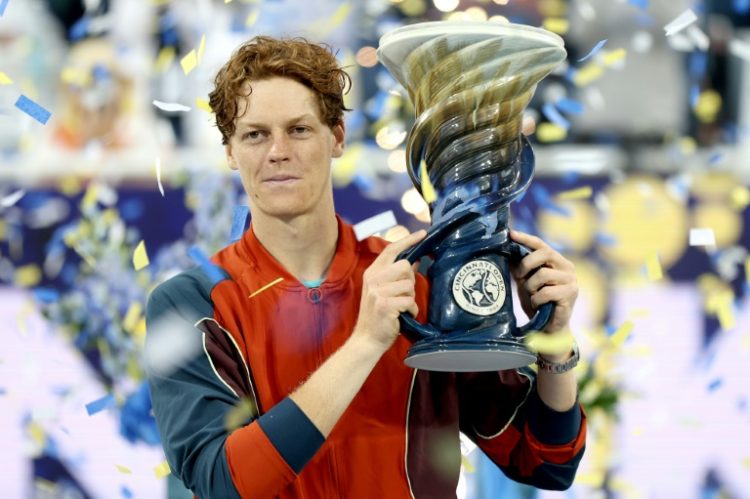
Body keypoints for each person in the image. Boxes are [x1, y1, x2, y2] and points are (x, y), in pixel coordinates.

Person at [145, 35, 586, 499]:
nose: (278, 151)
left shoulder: (418, 283)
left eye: (299, 129)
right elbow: (223, 483)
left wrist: (555, 342)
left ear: (336, 137)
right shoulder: (191, 304)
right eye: (255, 134)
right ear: (231, 152)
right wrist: (366, 342)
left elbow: (545, 463)